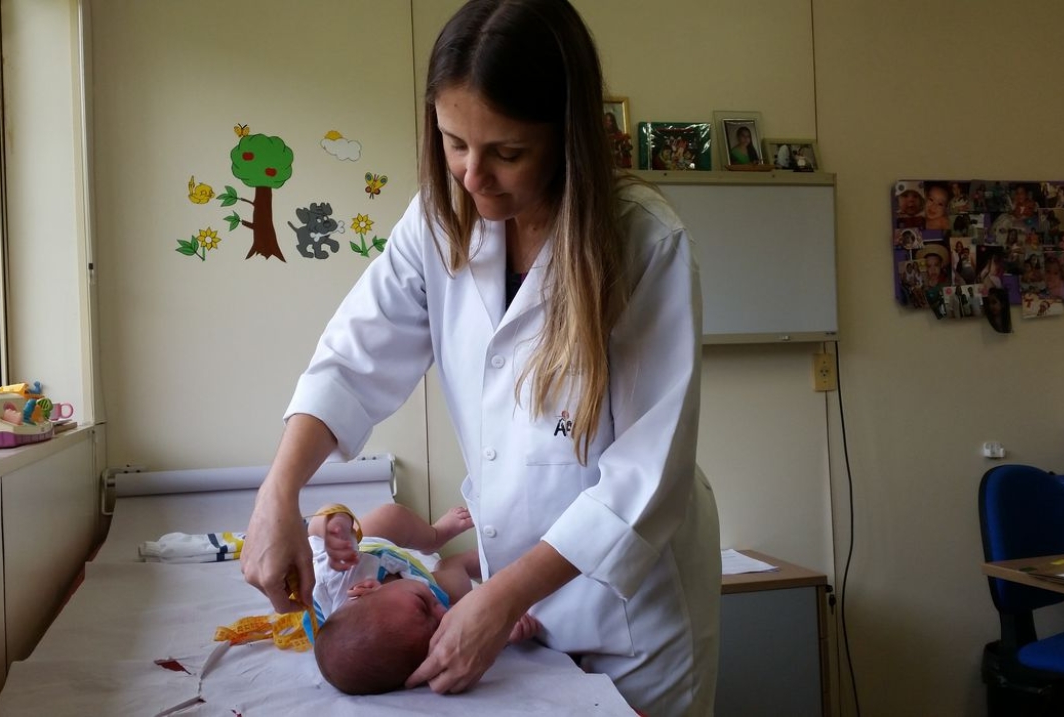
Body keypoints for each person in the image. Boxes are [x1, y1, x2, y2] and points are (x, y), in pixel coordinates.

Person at [239, 1, 720, 714]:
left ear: (567, 137)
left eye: (506, 152)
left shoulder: (644, 245)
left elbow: (645, 479)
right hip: (515, 617)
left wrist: (502, 597)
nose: (471, 176)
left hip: (627, 620)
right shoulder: (438, 220)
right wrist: (276, 495)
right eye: (453, 142)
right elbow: (352, 359)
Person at [306, 502, 539, 694]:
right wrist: (504, 632)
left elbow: (315, 527)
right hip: (418, 579)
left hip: (367, 549)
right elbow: (468, 643)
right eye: (436, 627)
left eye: (423, 607)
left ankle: (435, 535)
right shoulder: (418, 629)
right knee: (458, 588)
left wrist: (334, 526)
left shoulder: (333, 581)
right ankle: (467, 563)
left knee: (392, 515)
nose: (440, 612)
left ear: (366, 588)